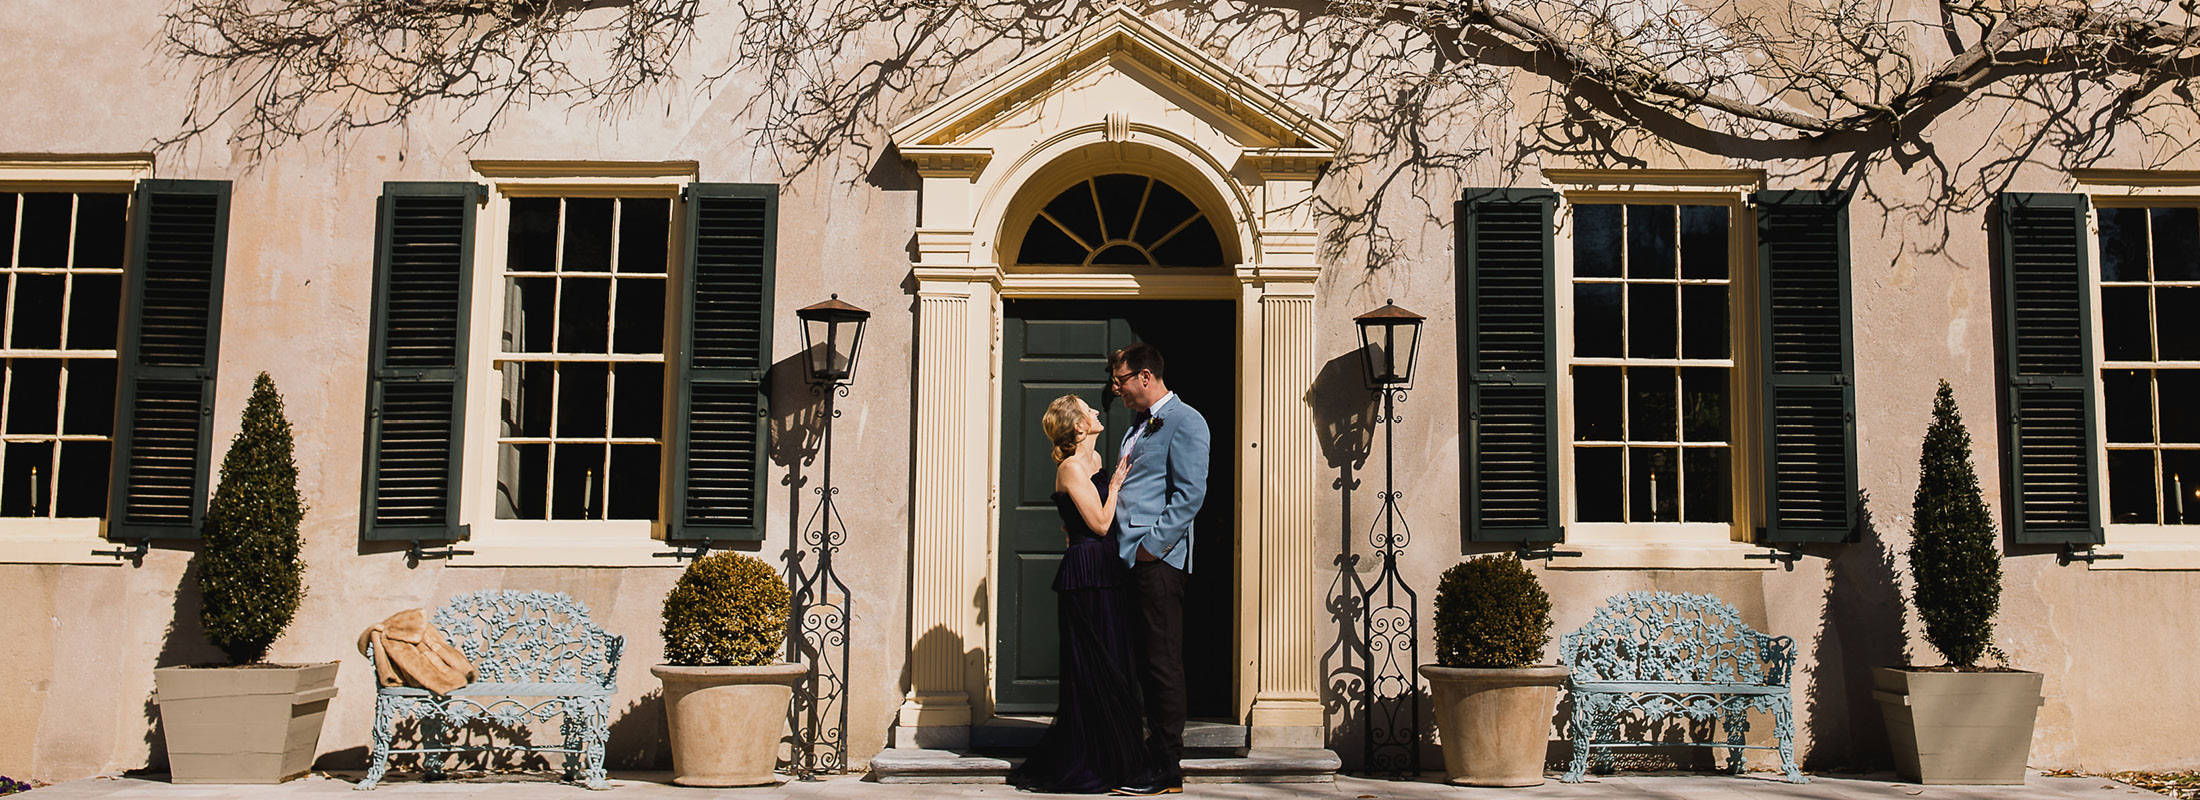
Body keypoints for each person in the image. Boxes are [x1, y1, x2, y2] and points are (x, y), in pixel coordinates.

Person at [1007, 394, 1153, 794]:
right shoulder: (1072, 468)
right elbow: (1103, 523)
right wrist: (1118, 485)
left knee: (1115, 663)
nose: (1094, 411)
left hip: (1106, 567)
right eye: (1087, 410)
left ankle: (1115, 756)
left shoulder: (1097, 462)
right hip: (1086, 571)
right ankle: (1088, 760)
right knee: (1091, 665)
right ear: (1078, 427)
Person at [1105, 343, 1210, 797]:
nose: (1116, 389)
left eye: (1121, 380)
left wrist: (1152, 547)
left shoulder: (1187, 421)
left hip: (1158, 563)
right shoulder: (1138, 425)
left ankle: (1167, 767)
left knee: (1162, 663)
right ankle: (1141, 757)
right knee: (1140, 663)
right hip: (1127, 560)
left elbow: (1189, 494)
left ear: (1145, 376)